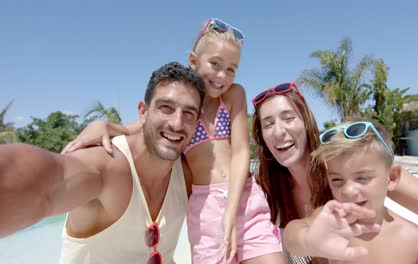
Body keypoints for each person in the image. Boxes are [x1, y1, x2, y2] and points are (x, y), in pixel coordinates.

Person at [63, 18, 286, 264]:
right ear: (194, 61)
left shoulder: (234, 95)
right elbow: (139, 126)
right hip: (205, 208)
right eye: (215, 64)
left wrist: (232, 213)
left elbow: (241, 153)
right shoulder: (183, 108)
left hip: (243, 196)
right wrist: (103, 125)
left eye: (231, 69)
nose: (222, 76)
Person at [0, 61, 206, 264]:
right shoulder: (107, 165)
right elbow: (47, 184)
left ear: (197, 123)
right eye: (166, 107)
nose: (177, 123)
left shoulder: (189, 173)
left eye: (188, 113)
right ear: (143, 112)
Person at [251, 82, 418, 263]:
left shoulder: (346, 164)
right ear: (262, 137)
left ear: (306, 122)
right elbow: (293, 235)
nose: (279, 131)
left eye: (288, 118)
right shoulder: (267, 186)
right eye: (268, 124)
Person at [284, 120, 418, 263]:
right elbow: (292, 235)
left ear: (391, 177)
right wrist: (307, 240)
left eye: (362, 178)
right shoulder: (332, 221)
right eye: (337, 180)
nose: (349, 191)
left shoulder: (414, 240)